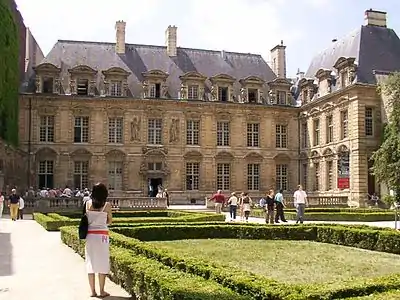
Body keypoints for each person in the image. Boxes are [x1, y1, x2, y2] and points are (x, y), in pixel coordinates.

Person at [85, 183, 113, 298]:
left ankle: (93, 291)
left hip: (90, 236)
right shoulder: (107, 205)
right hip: (102, 236)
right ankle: (102, 291)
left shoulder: (88, 203)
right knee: (102, 262)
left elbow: (86, 219)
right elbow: (110, 221)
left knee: (90, 262)